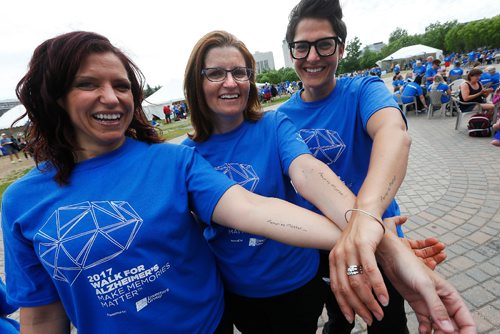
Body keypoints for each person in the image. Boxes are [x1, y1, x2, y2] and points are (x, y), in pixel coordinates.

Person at [2, 30, 475, 334]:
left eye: (123, 85)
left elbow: (264, 203)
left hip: (254, 302)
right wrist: (377, 240)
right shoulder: (22, 200)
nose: (111, 97)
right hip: (237, 293)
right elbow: (42, 316)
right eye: (89, 84)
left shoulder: (170, 163)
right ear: (54, 95)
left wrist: (375, 239)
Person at [181, 30, 446, 334]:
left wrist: (375, 236)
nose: (230, 82)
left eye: (239, 72)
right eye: (215, 73)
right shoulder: (186, 156)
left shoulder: (274, 124)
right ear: (196, 82)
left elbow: (308, 172)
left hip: (295, 281)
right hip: (237, 290)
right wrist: (384, 241)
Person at [279, 0, 423, 332]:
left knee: (387, 320)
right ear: (292, 53)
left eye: (324, 44)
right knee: (340, 316)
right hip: (325, 247)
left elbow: (393, 133)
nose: (312, 57)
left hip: (379, 241)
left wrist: (366, 216)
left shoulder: (363, 90)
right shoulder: (280, 118)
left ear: (341, 49)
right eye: (302, 47)